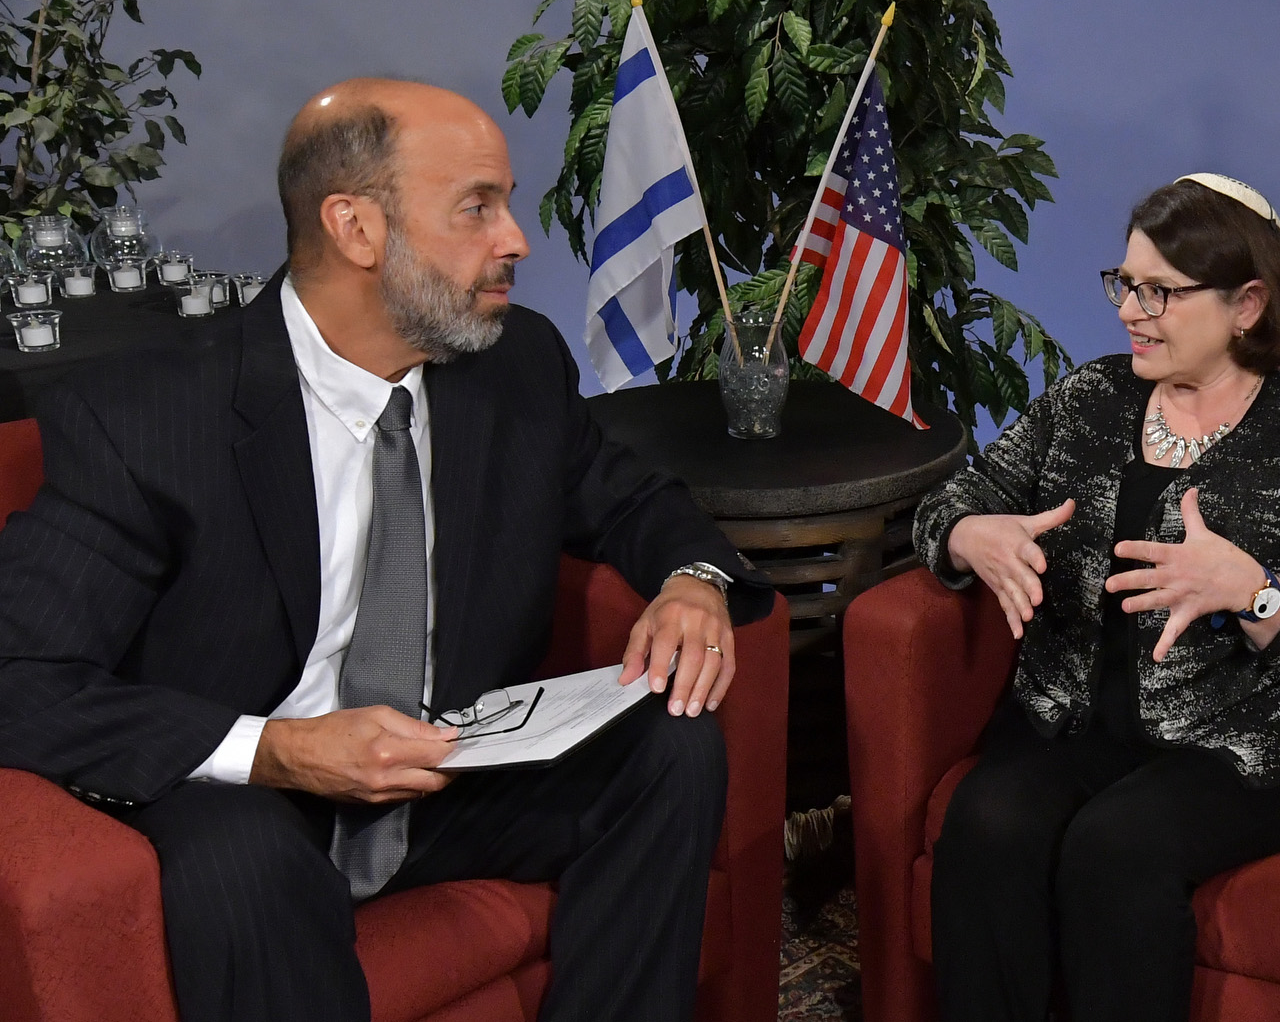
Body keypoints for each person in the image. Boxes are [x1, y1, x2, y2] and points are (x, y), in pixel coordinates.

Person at [0, 78, 775, 1022]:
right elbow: (21, 674)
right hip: (256, 794)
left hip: (447, 764)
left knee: (669, 743)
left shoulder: (514, 365)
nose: (517, 240)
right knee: (239, 859)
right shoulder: (151, 415)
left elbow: (628, 499)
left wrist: (691, 580)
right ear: (355, 229)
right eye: (478, 207)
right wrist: (279, 750)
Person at [916, 174, 1280, 1022]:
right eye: (1125, 283)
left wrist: (1254, 592)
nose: (1131, 310)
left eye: (1160, 292)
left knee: (1116, 847)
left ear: (1247, 304)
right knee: (988, 817)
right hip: (1076, 711)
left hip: (1247, 734)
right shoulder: (1089, 399)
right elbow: (951, 502)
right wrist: (969, 536)